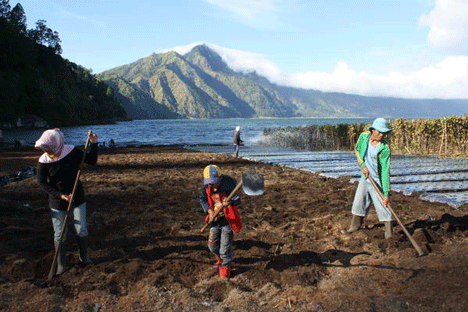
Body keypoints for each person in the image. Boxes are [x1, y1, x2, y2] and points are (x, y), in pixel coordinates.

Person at [35, 128, 98, 275]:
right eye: (47, 150)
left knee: (81, 228)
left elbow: (92, 161)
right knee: (59, 234)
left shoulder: (72, 152)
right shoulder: (43, 161)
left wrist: (94, 144)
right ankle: (61, 264)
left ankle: (84, 256)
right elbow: (42, 183)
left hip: (77, 197)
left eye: (52, 150)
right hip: (57, 201)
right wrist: (60, 195)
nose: (50, 153)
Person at [343, 118, 393, 239]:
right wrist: (363, 166)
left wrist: (386, 193)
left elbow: (385, 171)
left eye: (384, 133)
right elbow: (358, 150)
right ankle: (354, 227)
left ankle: (389, 234)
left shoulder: (384, 148)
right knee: (359, 201)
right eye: (379, 132)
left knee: (383, 206)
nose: (381, 135)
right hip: (365, 178)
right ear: (373, 130)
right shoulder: (364, 137)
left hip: (377, 180)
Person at [200, 165, 242, 279]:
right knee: (212, 246)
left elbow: (237, 200)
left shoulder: (228, 184)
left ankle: (225, 267)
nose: (212, 186)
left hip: (228, 219)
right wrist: (209, 211)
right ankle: (220, 259)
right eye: (209, 183)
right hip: (215, 219)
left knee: (225, 248)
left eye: (214, 183)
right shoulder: (207, 186)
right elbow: (202, 199)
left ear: (220, 178)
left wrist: (229, 203)